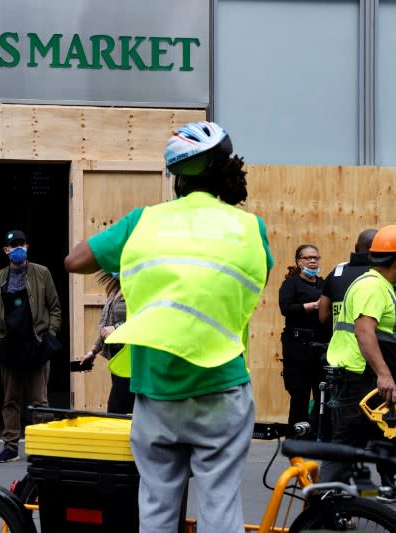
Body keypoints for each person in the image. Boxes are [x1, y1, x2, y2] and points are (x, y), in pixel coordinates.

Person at [65, 121, 273, 533]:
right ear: (222, 172)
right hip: (221, 388)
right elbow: (249, 281)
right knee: (221, 506)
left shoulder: (142, 222)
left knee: (157, 508)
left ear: (175, 177)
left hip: (155, 394)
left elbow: (75, 261)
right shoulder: (249, 227)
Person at [319, 224, 396, 503]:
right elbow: (364, 331)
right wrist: (385, 376)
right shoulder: (373, 287)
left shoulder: (373, 284)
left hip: (359, 382)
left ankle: (319, 513)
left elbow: (381, 338)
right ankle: (321, 511)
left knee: (343, 449)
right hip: (366, 385)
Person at [0, 230, 62, 463]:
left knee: (40, 401)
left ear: (27, 246)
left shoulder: (42, 273)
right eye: (13, 245)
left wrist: (50, 334)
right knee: (10, 400)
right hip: (9, 346)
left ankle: (43, 449)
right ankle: (10, 447)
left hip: (36, 344)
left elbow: (55, 307)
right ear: (5, 250)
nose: (18, 248)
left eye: (21, 244)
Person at [277, 244, 329, 433]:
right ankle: (296, 438)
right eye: (308, 258)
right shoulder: (291, 284)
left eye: (316, 257)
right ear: (299, 261)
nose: (313, 261)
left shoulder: (324, 284)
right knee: (299, 394)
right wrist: (311, 306)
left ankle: (318, 434)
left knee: (323, 393)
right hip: (297, 347)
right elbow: (286, 308)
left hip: (321, 346)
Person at [79, 271, 134, 414]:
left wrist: (116, 328)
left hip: (129, 356)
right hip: (115, 356)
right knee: (125, 406)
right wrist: (92, 352)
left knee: (116, 407)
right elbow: (105, 329)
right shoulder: (115, 290)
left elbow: (141, 320)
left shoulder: (135, 289)